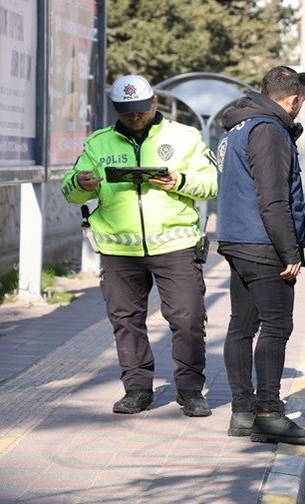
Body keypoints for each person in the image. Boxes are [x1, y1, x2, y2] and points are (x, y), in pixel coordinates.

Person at [61, 74, 218, 416]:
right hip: (119, 250)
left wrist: (180, 181)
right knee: (126, 320)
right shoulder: (98, 144)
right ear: (116, 109)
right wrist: (82, 182)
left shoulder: (184, 137)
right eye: (126, 110)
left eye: (140, 109)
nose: (134, 116)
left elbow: (212, 183)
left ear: (154, 103)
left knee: (188, 319)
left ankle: (190, 390)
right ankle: (137, 390)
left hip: (175, 246)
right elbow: (70, 189)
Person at [216, 66, 305, 443]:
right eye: (299, 104)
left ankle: (242, 413)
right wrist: (291, 251)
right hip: (263, 244)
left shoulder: (239, 126)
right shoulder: (270, 130)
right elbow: (273, 198)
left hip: (236, 238)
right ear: (293, 99)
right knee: (276, 326)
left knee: (241, 327)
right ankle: (269, 413)